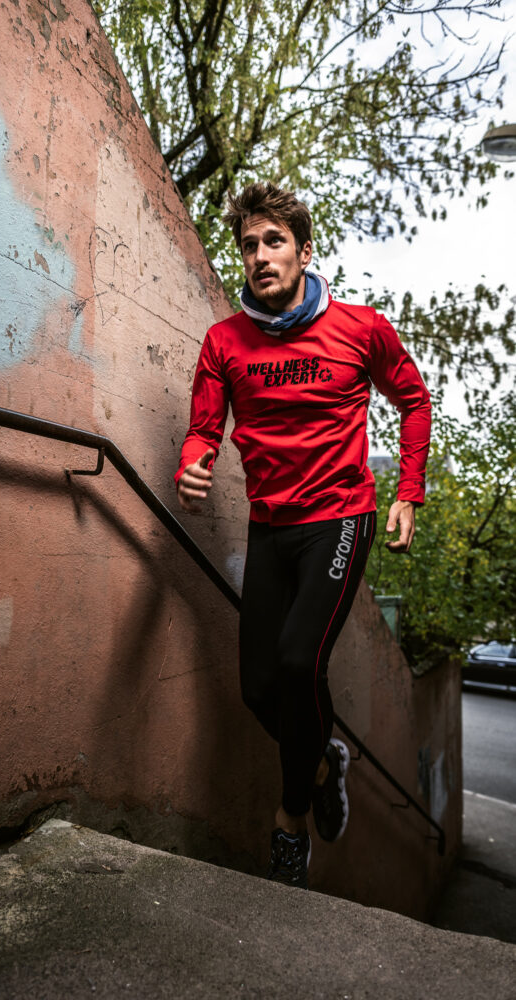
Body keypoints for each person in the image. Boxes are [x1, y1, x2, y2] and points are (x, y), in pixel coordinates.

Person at [175, 181, 431, 889]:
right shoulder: (224, 342)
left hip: (340, 518)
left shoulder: (361, 329)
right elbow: (203, 429)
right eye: (248, 245)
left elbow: (412, 399)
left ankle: (290, 820)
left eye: (274, 241)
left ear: (304, 251)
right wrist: (193, 463)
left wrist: (408, 490)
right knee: (258, 688)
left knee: (297, 664)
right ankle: (322, 762)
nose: (259, 255)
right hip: (270, 526)